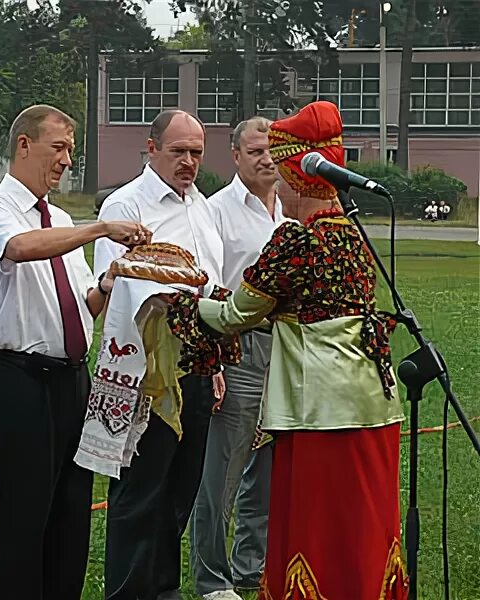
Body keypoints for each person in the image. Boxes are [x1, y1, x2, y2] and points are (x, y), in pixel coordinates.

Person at [198, 101, 408, 600]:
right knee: (360, 521)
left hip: (319, 410)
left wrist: (188, 303)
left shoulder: (294, 242)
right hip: (374, 404)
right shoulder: (355, 238)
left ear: (297, 179)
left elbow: (234, 316)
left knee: (317, 524)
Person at [0, 104, 149, 600]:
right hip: (20, 379)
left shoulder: (60, 219)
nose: (68, 159)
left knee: (71, 513)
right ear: (24, 145)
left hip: (71, 380)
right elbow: (20, 248)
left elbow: (83, 305)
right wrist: (101, 228)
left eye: (72, 149)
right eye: (59, 147)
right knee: (23, 517)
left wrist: (110, 280)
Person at [94, 109, 225, 600]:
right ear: (151, 148)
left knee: (179, 491)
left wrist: (214, 361)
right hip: (144, 371)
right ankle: (128, 593)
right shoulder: (127, 207)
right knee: (139, 492)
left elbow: (211, 287)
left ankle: (162, 590)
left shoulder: (202, 207)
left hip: (196, 365)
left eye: (196, 152)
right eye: (178, 151)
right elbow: (116, 293)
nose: (189, 162)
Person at [189, 116, 282, 600]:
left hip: (281, 351)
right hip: (236, 347)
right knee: (221, 472)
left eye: (273, 149)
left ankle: (251, 566)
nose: (268, 158)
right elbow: (207, 288)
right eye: (257, 151)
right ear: (236, 156)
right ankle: (211, 578)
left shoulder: (287, 208)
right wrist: (216, 361)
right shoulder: (216, 211)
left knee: (266, 469)